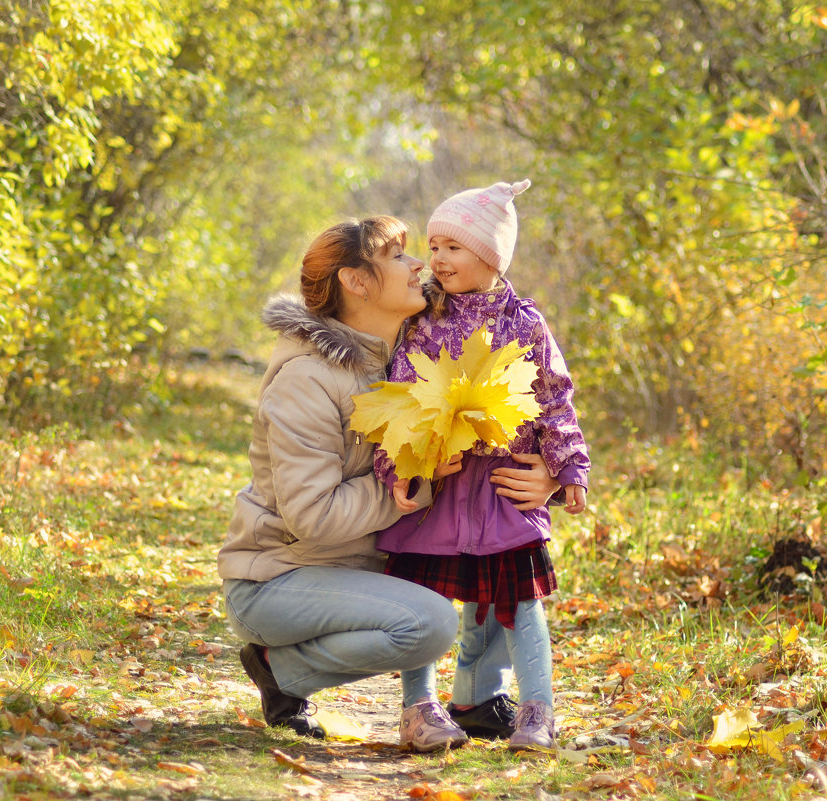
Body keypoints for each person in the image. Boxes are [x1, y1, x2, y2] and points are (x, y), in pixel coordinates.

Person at [217, 215, 561, 741]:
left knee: (496, 556)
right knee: (430, 624)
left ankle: (479, 696)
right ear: (356, 282)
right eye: (398, 257)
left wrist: (549, 477)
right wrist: (416, 485)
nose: (420, 263)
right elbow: (312, 514)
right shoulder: (306, 380)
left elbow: (518, 406)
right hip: (280, 577)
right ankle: (277, 668)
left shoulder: (410, 351)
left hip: (355, 574)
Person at [373, 180, 590, 752]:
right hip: (439, 489)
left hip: (503, 487)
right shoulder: (421, 320)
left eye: (453, 247)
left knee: (521, 603)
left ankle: (537, 709)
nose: (437, 259)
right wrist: (400, 470)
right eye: (434, 245)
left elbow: (554, 398)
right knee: (424, 599)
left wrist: (568, 467)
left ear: (490, 256)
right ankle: (417, 706)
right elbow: (397, 401)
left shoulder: (525, 323)